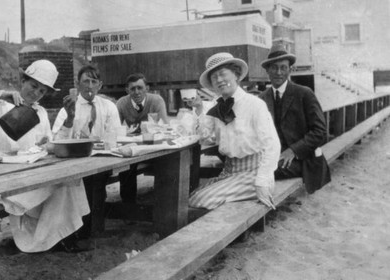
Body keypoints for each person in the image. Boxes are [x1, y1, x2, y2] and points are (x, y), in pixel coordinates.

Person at [0, 59, 90, 253]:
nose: (35, 93)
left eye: (42, 91)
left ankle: (58, 237)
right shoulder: (0, 106)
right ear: (23, 80)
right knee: (63, 184)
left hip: (34, 169)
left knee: (70, 180)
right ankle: (56, 239)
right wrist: (2, 94)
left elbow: (53, 143)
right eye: (33, 86)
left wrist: (68, 121)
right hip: (8, 173)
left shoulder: (41, 113)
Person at [188, 52, 280, 210]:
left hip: (254, 174)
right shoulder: (216, 107)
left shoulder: (254, 104)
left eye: (223, 74)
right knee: (192, 195)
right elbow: (203, 136)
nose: (219, 80)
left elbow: (273, 145)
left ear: (236, 75)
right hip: (230, 171)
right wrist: (198, 110)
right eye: (214, 77)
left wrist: (262, 181)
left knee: (200, 200)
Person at [52, 65, 121, 236]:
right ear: (77, 84)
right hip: (75, 160)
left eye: (93, 81)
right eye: (85, 81)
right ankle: (81, 231)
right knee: (85, 182)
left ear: (100, 85)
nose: (89, 86)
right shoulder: (68, 109)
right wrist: (70, 119)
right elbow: (56, 141)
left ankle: (93, 230)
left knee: (96, 179)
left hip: (101, 159)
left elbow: (115, 135)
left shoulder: (108, 107)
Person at [259, 44, 331, 194]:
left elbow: (320, 131)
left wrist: (293, 151)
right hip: (275, 158)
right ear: (267, 71)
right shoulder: (262, 98)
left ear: (290, 70)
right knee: (252, 169)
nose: (279, 72)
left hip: (304, 160)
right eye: (274, 67)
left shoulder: (304, 94)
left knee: (259, 173)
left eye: (283, 68)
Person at [115, 73, 169, 204]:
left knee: (167, 160)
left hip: (153, 143)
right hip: (134, 145)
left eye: (140, 88)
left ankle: (163, 203)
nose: (136, 92)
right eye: (132, 89)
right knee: (126, 163)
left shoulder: (156, 100)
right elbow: (115, 129)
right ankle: (128, 205)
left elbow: (165, 128)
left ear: (147, 88)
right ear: (127, 90)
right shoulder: (122, 103)